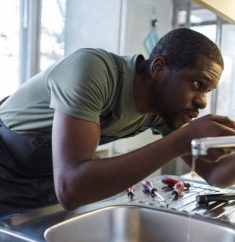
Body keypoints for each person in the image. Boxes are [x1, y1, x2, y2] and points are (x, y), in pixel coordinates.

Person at [0, 27, 235, 216]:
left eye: (209, 91)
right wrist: (181, 141)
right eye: (198, 85)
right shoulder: (93, 70)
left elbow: (216, 175)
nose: (203, 102)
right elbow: (72, 188)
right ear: (159, 69)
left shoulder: (162, 109)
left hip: (43, 182)